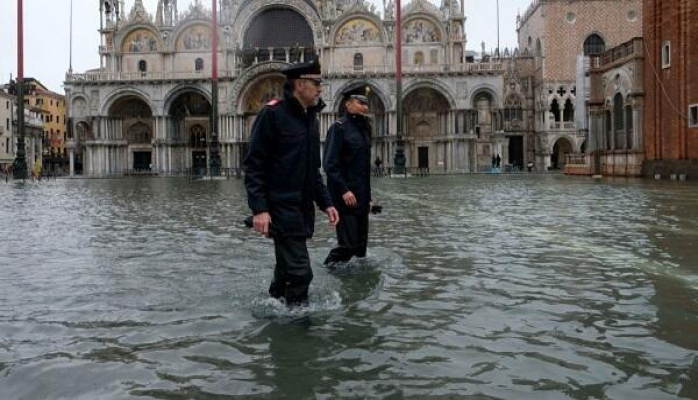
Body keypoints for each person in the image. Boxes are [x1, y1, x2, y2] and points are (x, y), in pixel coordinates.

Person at [244, 58, 339, 307]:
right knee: (300, 272)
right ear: (299, 84)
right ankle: (299, 328)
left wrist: (326, 203)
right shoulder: (272, 114)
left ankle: (274, 307)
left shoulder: (311, 119)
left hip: (301, 208)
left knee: (287, 270)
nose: (320, 88)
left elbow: (313, 170)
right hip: (280, 207)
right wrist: (260, 210)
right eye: (315, 83)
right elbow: (254, 166)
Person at [323, 86, 374, 266]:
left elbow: (364, 169)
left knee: (360, 248)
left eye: (367, 104)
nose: (365, 107)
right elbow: (330, 164)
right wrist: (344, 190)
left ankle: (356, 282)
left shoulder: (365, 129)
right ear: (348, 104)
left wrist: (368, 198)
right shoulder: (339, 128)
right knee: (348, 246)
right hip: (344, 199)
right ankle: (328, 268)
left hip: (361, 197)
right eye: (360, 103)